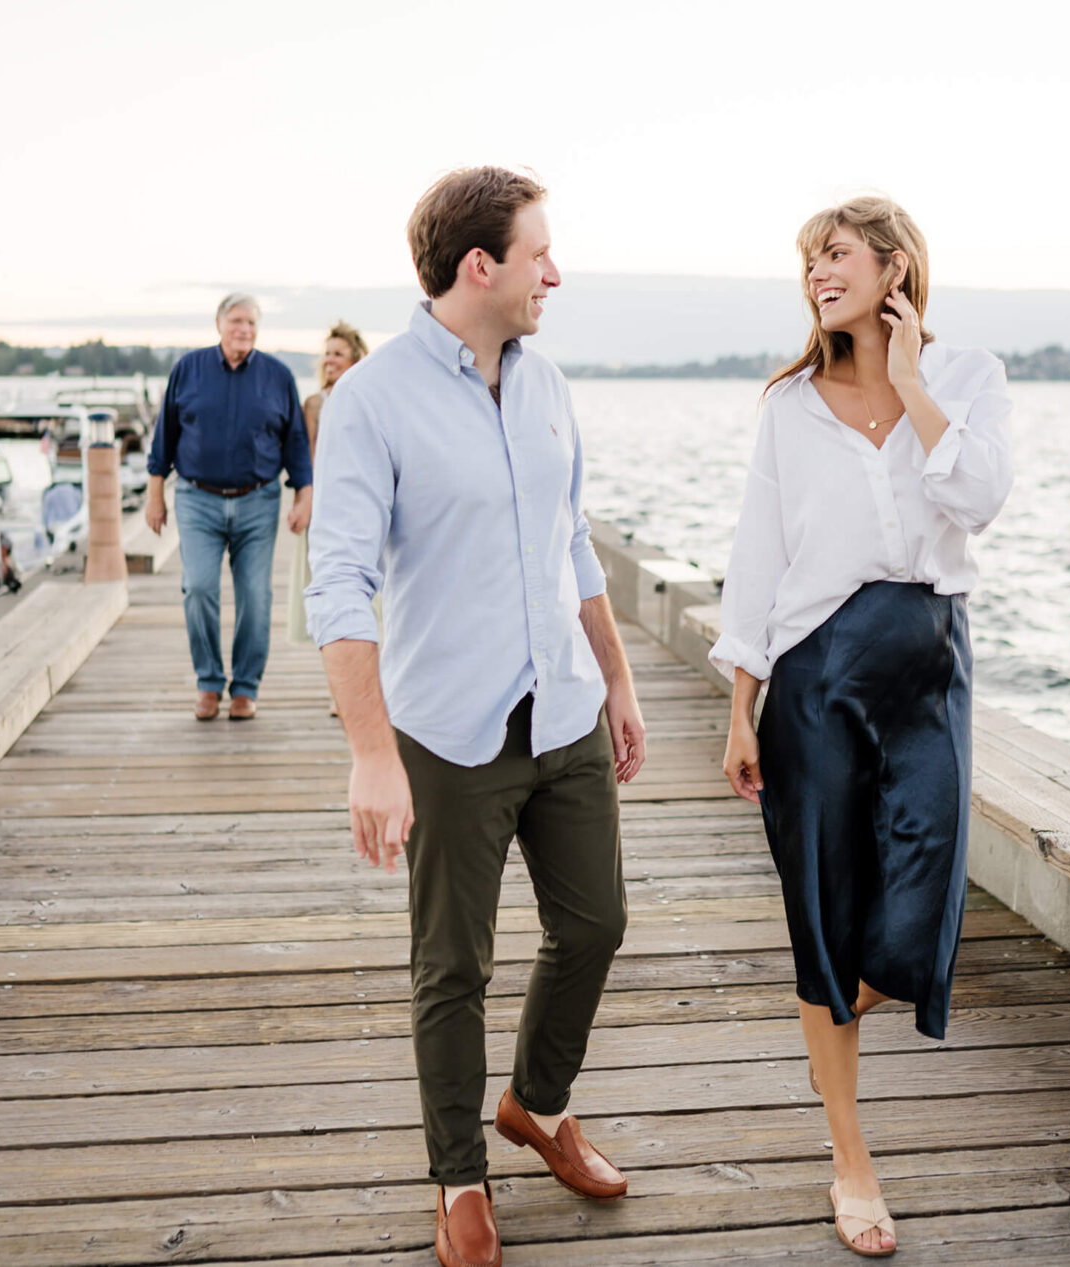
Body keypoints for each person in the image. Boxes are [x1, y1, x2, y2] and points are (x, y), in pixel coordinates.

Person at [305, 167, 647, 1267]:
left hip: (567, 711)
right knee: (452, 967)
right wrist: (370, 753)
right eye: (539, 252)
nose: (557, 271)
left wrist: (622, 681)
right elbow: (338, 582)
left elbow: (572, 539)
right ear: (478, 267)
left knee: (594, 925)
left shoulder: (547, 384)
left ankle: (537, 1107)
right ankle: (459, 1173)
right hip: (449, 731)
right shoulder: (372, 400)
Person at [712, 195, 1013, 1257]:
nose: (815, 275)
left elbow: (978, 498)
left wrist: (916, 383)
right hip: (815, 676)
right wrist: (739, 704)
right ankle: (850, 1158)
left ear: (894, 269)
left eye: (834, 255)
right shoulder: (789, 404)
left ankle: (836, 1009)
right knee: (823, 920)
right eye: (806, 261)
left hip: (928, 667)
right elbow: (757, 555)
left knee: (914, 915)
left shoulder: (969, 378)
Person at [144, 294, 313, 721]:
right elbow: (165, 432)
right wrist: (154, 493)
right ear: (219, 323)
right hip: (197, 499)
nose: (245, 329)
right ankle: (208, 683)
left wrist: (303, 495)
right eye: (237, 321)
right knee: (199, 587)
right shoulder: (188, 369)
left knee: (255, 597)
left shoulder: (277, 376)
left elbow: (294, 440)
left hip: (258, 501)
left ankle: (245, 687)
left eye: (252, 323)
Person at [287, 321, 370, 649]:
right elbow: (305, 459)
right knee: (329, 592)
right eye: (326, 354)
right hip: (325, 508)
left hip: (361, 505)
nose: (330, 360)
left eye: (338, 353)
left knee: (367, 597)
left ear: (353, 359)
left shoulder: (365, 397)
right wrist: (302, 502)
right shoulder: (314, 403)